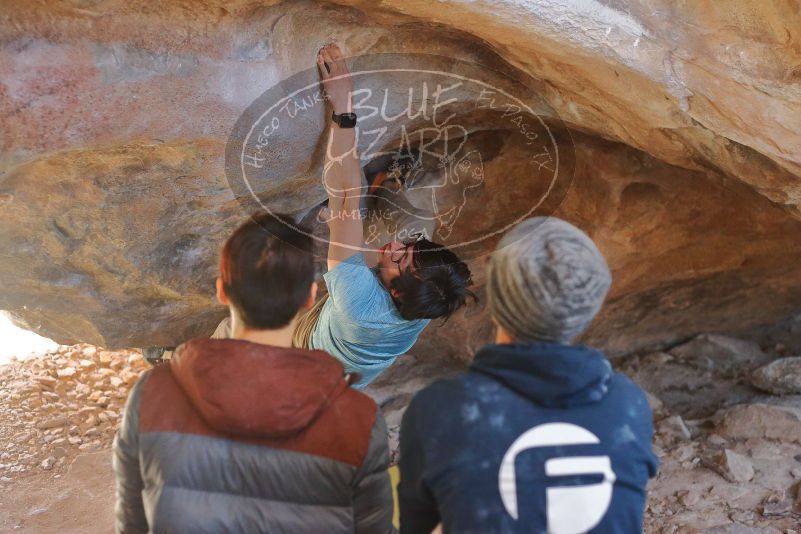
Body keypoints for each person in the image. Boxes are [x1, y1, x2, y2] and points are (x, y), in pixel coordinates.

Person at [210, 44, 475, 388]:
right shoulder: (429, 298)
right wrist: (345, 233)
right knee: (411, 224)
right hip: (346, 377)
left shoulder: (358, 302)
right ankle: (356, 220)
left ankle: (176, 367)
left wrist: (344, 107)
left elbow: (347, 190)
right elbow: (382, 246)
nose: (396, 245)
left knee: (234, 333)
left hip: (306, 353)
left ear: (395, 293)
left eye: (401, 257)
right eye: (412, 246)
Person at [113, 212, 395, 534]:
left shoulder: (153, 392)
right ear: (309, 297)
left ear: (222, 291)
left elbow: (132, 519)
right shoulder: (358, 418)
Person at [398, 217, 658, 533]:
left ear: (495, 288)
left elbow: (418, 526)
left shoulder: (439, 410)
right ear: (589, 303)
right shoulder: (627, 405)